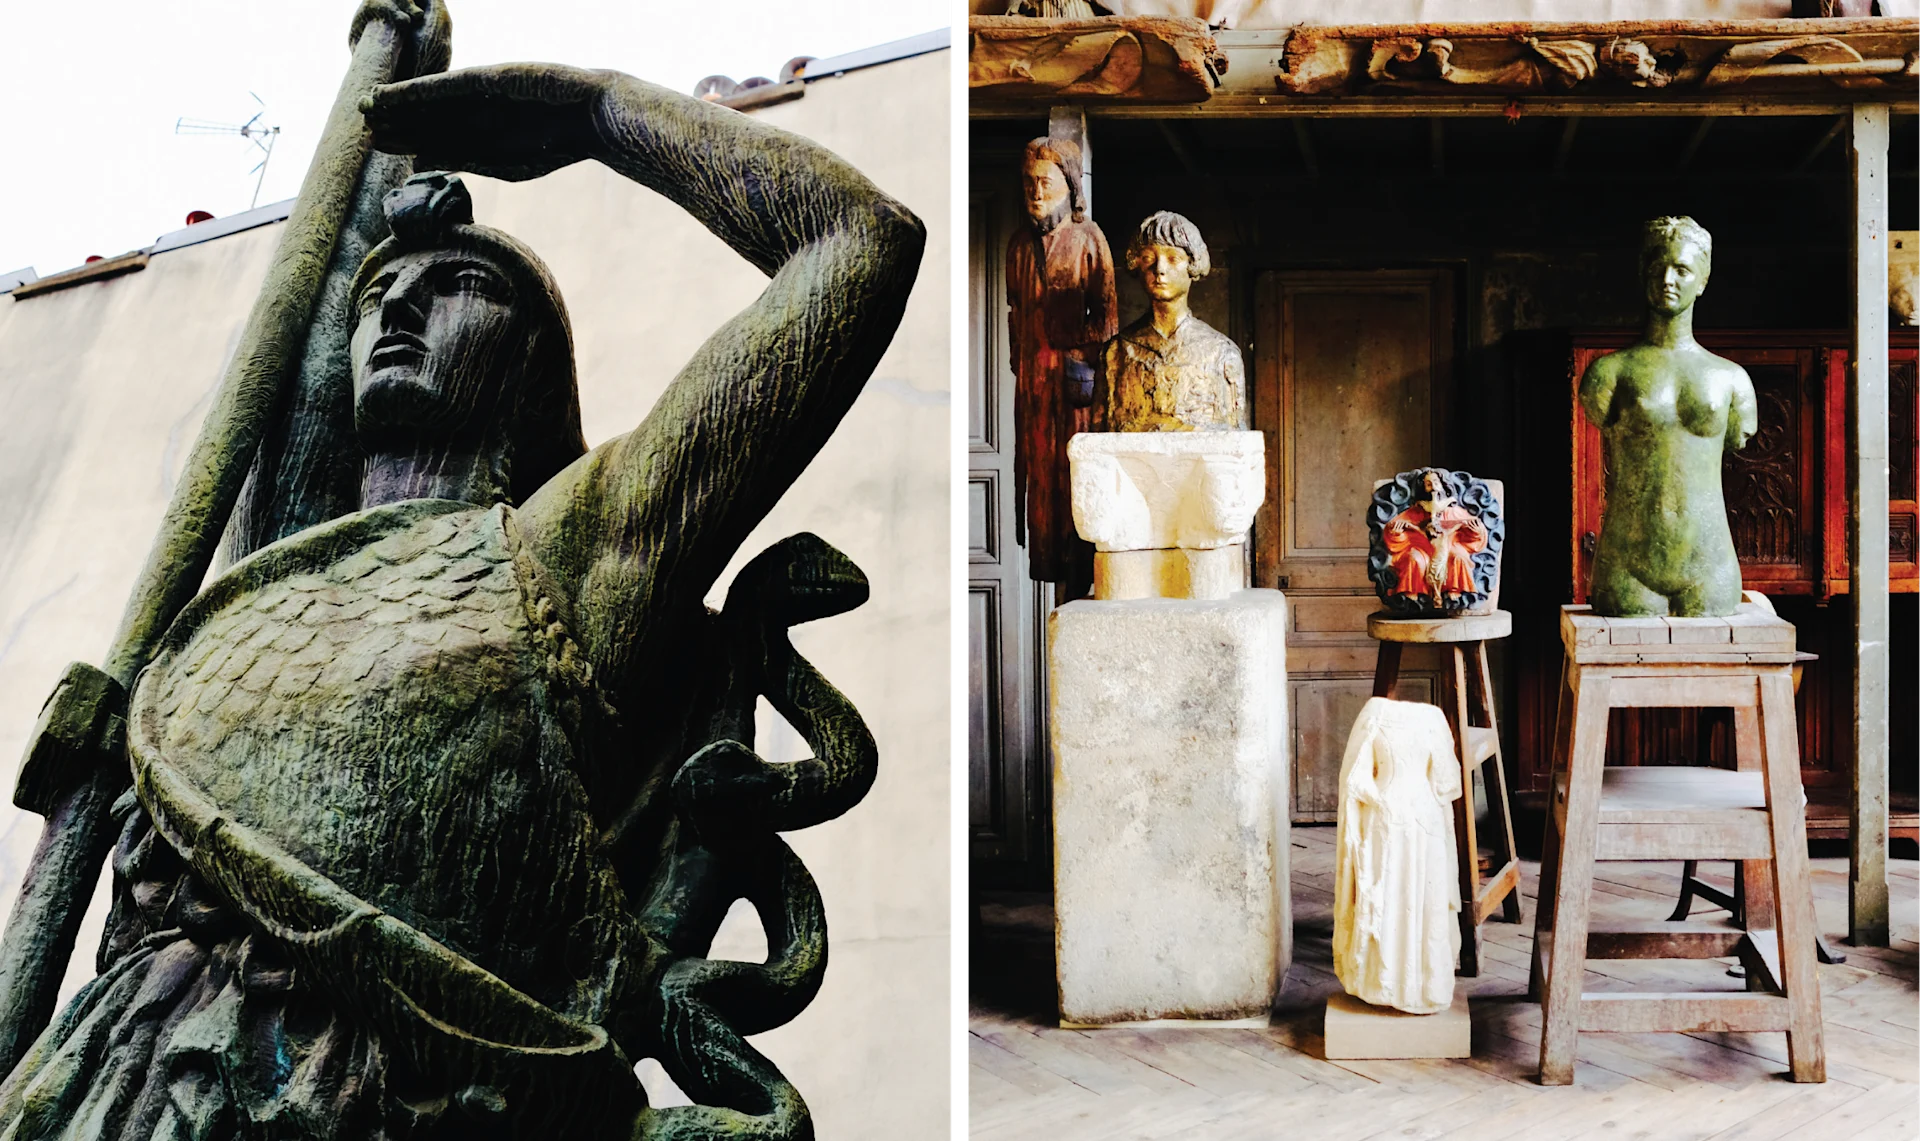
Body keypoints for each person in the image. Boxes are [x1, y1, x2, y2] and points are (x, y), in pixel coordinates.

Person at [0, 58, 920, 1141]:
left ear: (532, 363)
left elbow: (858, 241)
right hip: (104, 1090)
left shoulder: (575, 547)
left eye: (461, 287)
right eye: (379, 297)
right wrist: (389, 83)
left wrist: (597, 116)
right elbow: (313, 308)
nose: (400, 308)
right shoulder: (272, 578)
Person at [1580, 216, 1755, 617]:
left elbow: (1738, 434)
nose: (1667, 280)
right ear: (1643, 273)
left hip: (1710, 565)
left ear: (1703, 280)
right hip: (1626, 562)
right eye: (1657, 267)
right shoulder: (1610, 374)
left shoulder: (1731, 379)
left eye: (1682, 269)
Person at [1006, 136, 1115, 595]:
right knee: (1040, 479)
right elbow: (1015, 311)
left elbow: (1106, 316)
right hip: (1033, 385)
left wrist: (1080, 356)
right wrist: (1022, 361)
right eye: (1029, 183)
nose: (1036, 192)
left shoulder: (1087, 238)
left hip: (1075, 388)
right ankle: (1051, 561)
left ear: (1069, 186)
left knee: (1075, 475)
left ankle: (1079, 568)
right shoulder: (1018, 245)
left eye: (1046, 183)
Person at [1102, 211, 1245, 433]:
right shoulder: (1117, 351)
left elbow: (1236, 440)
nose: (1159, 269)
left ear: (1192, 264)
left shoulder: (1220, 353)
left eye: (1173, 258)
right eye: (1148, 258)